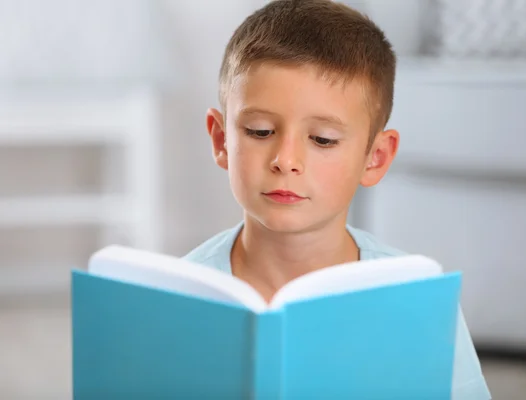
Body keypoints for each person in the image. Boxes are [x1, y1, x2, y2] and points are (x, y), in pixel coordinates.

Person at [184, 0, 491, 398]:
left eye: (322, 140)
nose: (286, 161)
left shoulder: (415, 298)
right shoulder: (178, 295)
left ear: (375, 158)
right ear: (221, 139)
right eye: (259, 131)